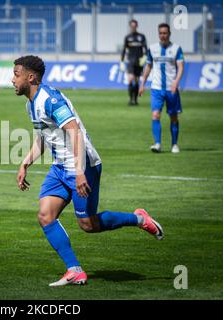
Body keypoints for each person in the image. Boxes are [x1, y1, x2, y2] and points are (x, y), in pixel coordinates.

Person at [12, 55, 163, 287]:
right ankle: (74, 271)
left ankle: (139, 219)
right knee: (45, 215)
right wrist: (25, 163)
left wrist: (80, 171)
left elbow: (74, 132)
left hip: (83, 166)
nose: (12, 80)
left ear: (30, 77)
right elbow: (43, 138)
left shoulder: (50, 100)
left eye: (16, 74)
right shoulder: (30, 104)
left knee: (88, 225)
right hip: (60, 168)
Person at [139, 23, 184, 154]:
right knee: (155, 115)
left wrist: (176, 82)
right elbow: (148, 66)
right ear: (158, 34)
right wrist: (143, 84)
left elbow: (181, 67)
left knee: (173, 117)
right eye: (161, 33)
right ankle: (157, 144)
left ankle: (174, 144)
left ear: (169, 34)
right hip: (156, 88)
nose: (163, 36)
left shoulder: (176, 49)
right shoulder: (152, 49)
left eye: (165, 33)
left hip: (171, 88)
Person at [120, 19, 147, 106]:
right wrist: (121, 61)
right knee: (130, 80)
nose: (133, 27)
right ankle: (130, 99)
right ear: (130, 27)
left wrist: (145, 57)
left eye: (134, 26)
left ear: (137, 26)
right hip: (130, 61)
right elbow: (124, 50)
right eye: (132, 26)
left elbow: (145, 49)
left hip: (139, 62)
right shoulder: (127, 37)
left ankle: (135, 100)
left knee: (136, 81)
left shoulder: (141, 37)